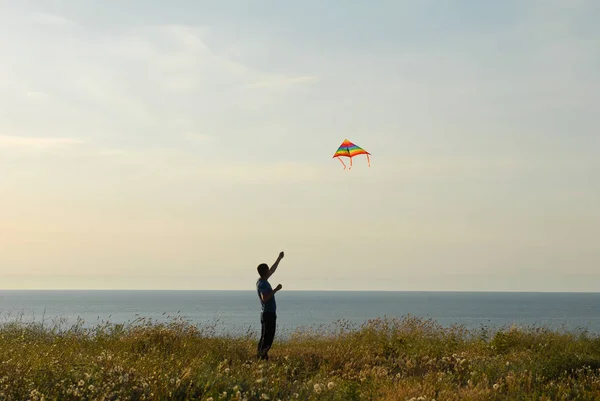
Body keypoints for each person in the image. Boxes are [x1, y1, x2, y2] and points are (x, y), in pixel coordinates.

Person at [256, 251, 284, 360]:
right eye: (268, 270)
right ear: (265, 272)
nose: (270, 271)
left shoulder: (262, 280)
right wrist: (276, 289)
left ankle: (261, 355)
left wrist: (279, 258)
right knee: (268, 337)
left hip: (267, 313)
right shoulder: (262, 284)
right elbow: (265, 298)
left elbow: (273, 270)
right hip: (268, 314)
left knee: (264, 336)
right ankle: (262, 356)